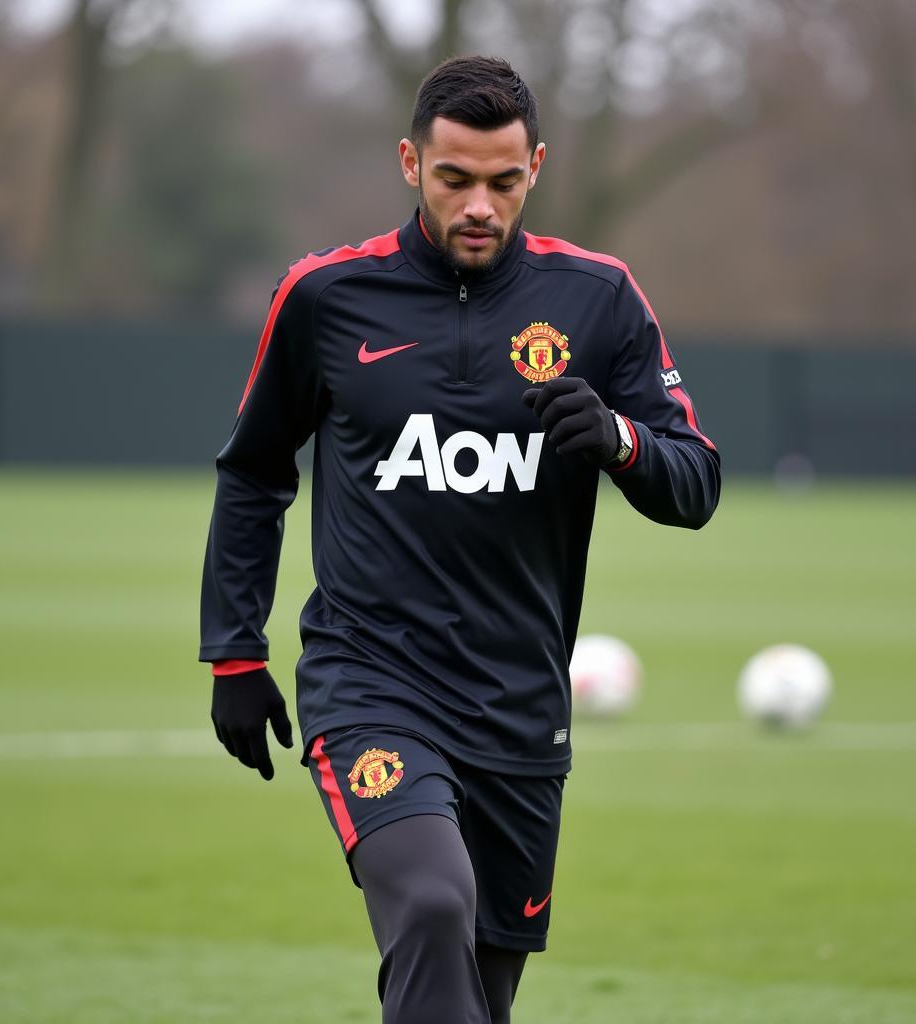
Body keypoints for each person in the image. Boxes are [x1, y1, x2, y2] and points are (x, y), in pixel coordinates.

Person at [200, 55, 720, 1024]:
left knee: (477, 991)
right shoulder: (325, 296)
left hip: (521, 710)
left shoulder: (599, 300)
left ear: (536, 169)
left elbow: (695, 482)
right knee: (434, 900)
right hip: (371, 685)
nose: (479, 204)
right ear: (409, 162)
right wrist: (235, 650)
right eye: (454, 179)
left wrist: (617, 438)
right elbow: (254, 469)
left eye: (503, 181)